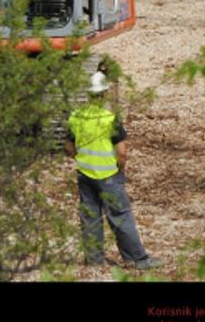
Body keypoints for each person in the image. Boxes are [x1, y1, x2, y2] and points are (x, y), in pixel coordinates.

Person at [66, 68, 160, 269]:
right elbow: (122, 153)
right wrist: (119, 168)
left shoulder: (76, 117)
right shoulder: (109, 119)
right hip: (108, 176)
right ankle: (137, 259)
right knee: (120, 216)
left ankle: (94, 260)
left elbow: (69, 146)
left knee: (90, 216)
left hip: (85, 174)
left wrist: (82, 160)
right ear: (104, 94)